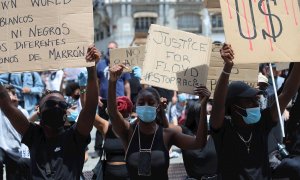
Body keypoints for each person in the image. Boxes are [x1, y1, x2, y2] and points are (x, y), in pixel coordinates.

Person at [0, 46, 100, 179]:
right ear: (39, 112)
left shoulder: (75, 136)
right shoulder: (34, 135)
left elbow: (91, 107)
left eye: (62, 104)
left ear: (66, 113)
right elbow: (7, 106)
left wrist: (91, 70)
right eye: (51, 104)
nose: (57, 106)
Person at [210, 43, 300, 179]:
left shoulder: (262, 123)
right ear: (234, 107)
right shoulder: (223, 130)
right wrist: (227, 67)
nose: (255, 103)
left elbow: (287, 93)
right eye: (248, 100)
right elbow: (218, 104)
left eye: (255, 99)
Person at [107, 64, 209, 180]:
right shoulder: (128, 132)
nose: (146, 106)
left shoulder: (168, 134)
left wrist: (203, 106)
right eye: (141, 103)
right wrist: (112, 81)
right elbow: (113, 113)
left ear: (158, 107)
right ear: (135, 107)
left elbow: (199, 143)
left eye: (151, 103)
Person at [93, 41, 131, 158]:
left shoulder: (123, 65)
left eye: (112, 48)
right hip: (104, 100)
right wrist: (97, 96)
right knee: (102, 124)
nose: (110, 51)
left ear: (117, 50)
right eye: (108, 48)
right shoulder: (101, 64)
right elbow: (97, 81)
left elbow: (126, 83)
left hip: (119, 99)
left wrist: (128, 98)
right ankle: (98, 149)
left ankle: (122, 147)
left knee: (120, 123)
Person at [180, 100, 218, 180]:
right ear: (194, 114)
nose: (208, 117)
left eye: (210, 113)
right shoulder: (184, 132)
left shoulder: (218, 133)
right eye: (204, 114)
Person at [0, 85, 31, 180]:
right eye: (11, 94)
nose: (14, 96)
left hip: (18, 151)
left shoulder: (23, 111)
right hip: (2, 149)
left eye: (15, 94)